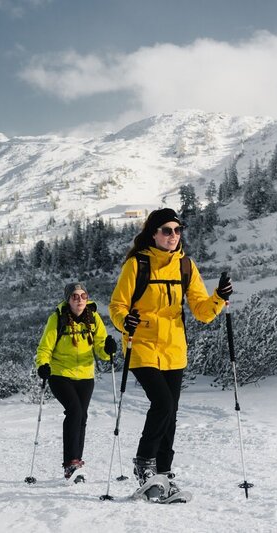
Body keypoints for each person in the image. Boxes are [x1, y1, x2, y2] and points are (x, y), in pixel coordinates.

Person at [108, 208, 232, 498]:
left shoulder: (186, 266)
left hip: (175, 349)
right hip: (142, 345)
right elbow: (117, 305)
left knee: (171, 413)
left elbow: (202, 312)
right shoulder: (137, 264)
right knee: (162, 404)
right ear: (153, 233)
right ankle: (144, 463)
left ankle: (162, 473)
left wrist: (218, 297)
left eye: (177, 230)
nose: (173, 236)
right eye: (166, 230)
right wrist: (125, 321)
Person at [36, 282, 118, 481]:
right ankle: (71, 463)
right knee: (74, 411)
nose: (80, 300)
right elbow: (45, 348)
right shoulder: (57, 319)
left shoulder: (94, 318)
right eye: (75, 296)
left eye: (83, 296)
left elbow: (100, 347)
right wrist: (43, 365)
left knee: (81, 417)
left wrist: (108, 350)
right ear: (68, 299)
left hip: (85, 376)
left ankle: (76, 463)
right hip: (60, 374)